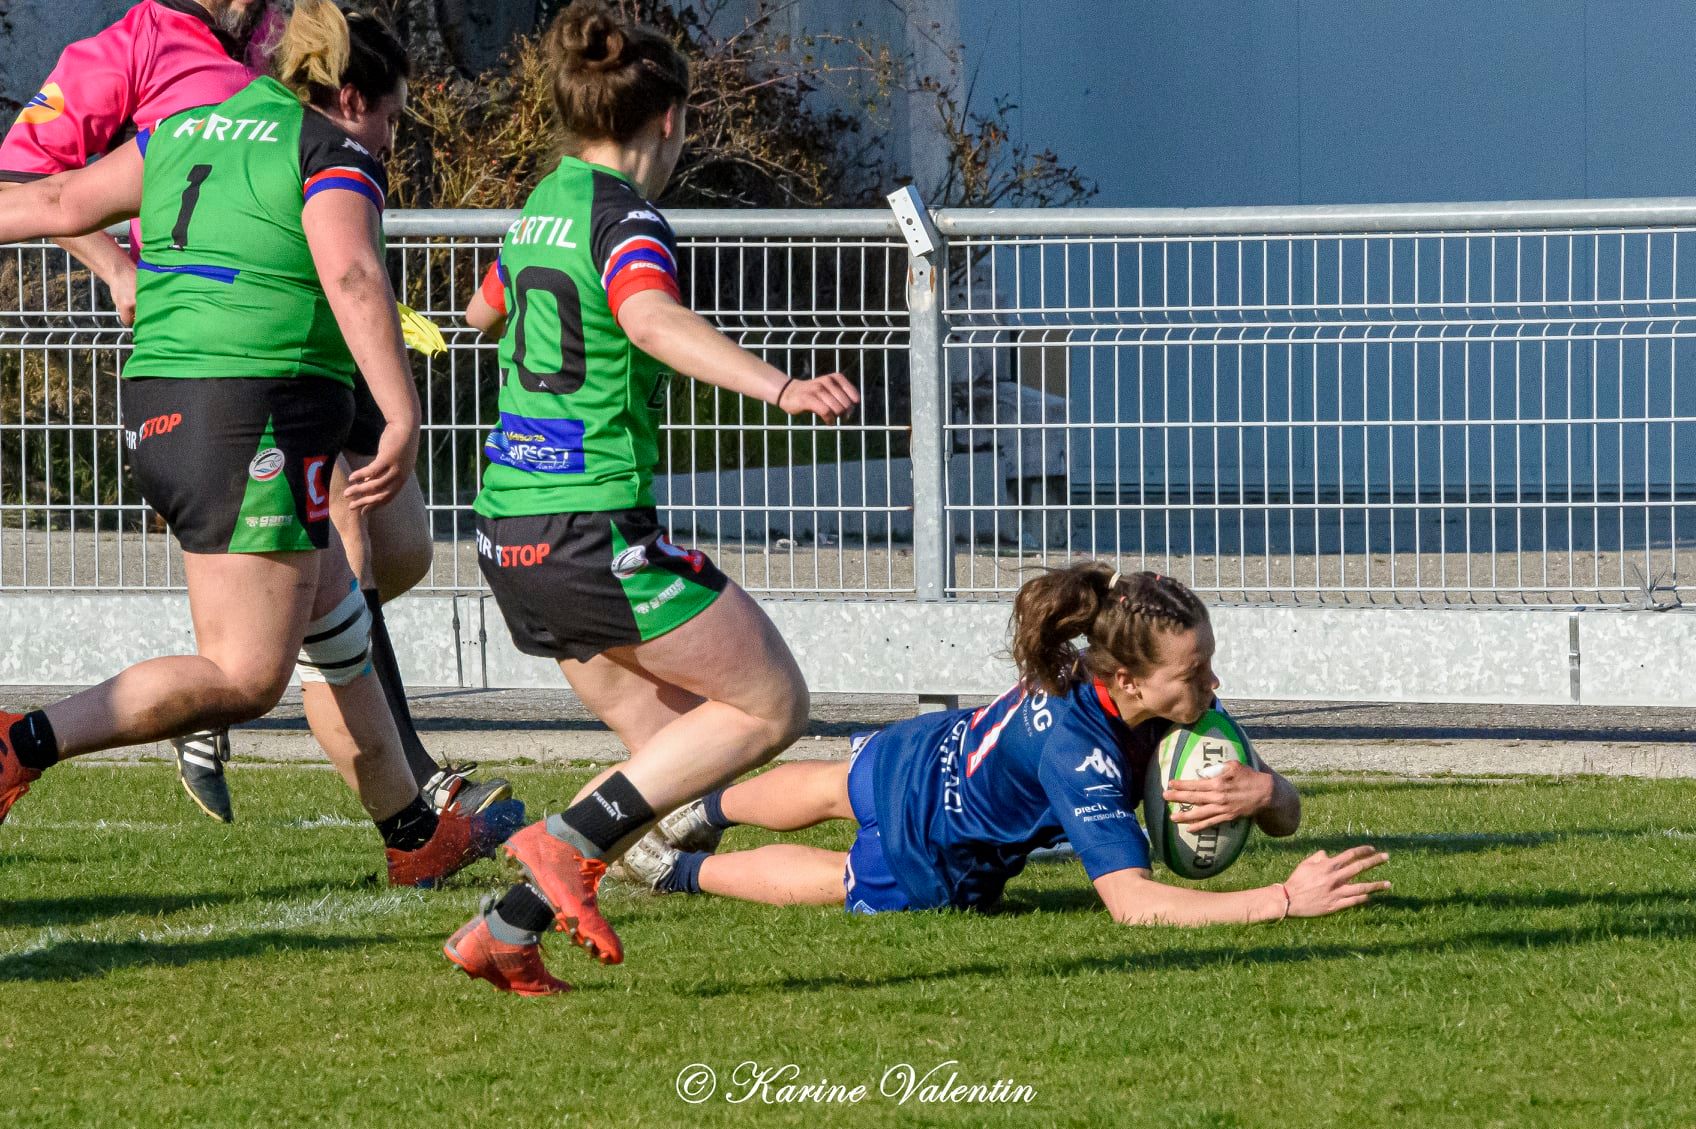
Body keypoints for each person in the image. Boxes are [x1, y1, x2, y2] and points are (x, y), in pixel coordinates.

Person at [0, 1, 515, 886]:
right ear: (349, 95)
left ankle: (410, 830)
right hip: (251, 411)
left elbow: (51, 197)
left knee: (335, 615)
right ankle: (21, 743)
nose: (390, 139)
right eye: (390, 117)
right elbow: (353, 276)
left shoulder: (181, 129)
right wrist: (401, 411)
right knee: (245, 675)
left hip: (166, 401)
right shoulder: (327, 149)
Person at [440, 0, 859, 996]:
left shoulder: (542, 203)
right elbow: (653, 319)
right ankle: (559, 848)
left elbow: (481, 311)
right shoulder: (624, 218)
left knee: (671, 754)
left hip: (510, 531)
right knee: (770, 702)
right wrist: (781, 385)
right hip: (593, 526)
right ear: (667, 117)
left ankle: (504, 929)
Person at [614, 565, 1391, 926]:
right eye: (1195, 671)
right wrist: (1285, 899)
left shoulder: (1136, 686)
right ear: (1126, 678)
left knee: (838, 783)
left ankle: (695, 808)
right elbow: (1134, 903)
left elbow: (1281, 813)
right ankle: (677, 868)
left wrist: (1268, 793)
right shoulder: (1080, 750)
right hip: (941, 845)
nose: (1213, 685)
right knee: (843, 876)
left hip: (932, 746)